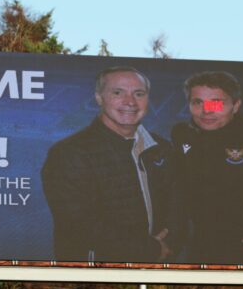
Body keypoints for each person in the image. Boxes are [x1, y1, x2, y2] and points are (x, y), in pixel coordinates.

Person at [41, 66, 174, 263]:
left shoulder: (162, 149)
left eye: (139, 93)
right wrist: (149, 250)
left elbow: (179, 211)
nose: (130, 102)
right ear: (99, 98)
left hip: (156, 272)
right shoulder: (68, 153)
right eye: (117, 93)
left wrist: (169, 247)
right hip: (95, 280)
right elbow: (78, 224)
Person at [169, 71, 243, 265]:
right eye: (197, 102)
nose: (206, 111)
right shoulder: (181, 136)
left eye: (216, 103)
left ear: (236, 105)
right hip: (194, 251)